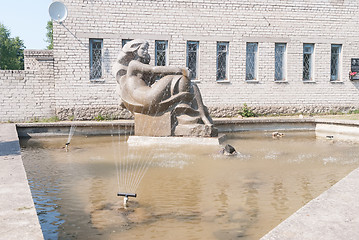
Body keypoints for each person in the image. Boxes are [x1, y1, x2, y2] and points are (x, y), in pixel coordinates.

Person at [112, 39, 213, 125]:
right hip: (145, 97)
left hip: (148, 95)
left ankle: (201, 114)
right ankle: (189, 114)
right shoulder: (133, 64)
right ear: (134, 50)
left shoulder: (140, 66)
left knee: (189, 83)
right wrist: (180, 69)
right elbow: (154, 70)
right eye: (143, 49)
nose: (146, 51)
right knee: (174, 77)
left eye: (147, 49)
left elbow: (155, 74)